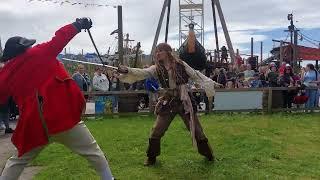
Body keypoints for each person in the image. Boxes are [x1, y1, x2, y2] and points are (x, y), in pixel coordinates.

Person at [0, 18, 114, 180]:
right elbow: (60, 38)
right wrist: (78, 25)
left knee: (18, 160)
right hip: (61, 117)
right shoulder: (38, 53)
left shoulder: (6, 73)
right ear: (24, 48)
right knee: (93, 152)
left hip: (34, 124)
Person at [116, 43, 219, 166]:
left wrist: (212, 83)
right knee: (157, 130)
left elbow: (196, 75)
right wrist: (128, 70)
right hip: (168, 100)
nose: (157, 53)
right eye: (156, 51)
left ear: (168, 52)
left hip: (184, 100)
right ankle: (151, 157)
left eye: (160, 51)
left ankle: (208, 155)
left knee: (197, 130)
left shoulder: (181, 64)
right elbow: (142, 72)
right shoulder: (156, 68)